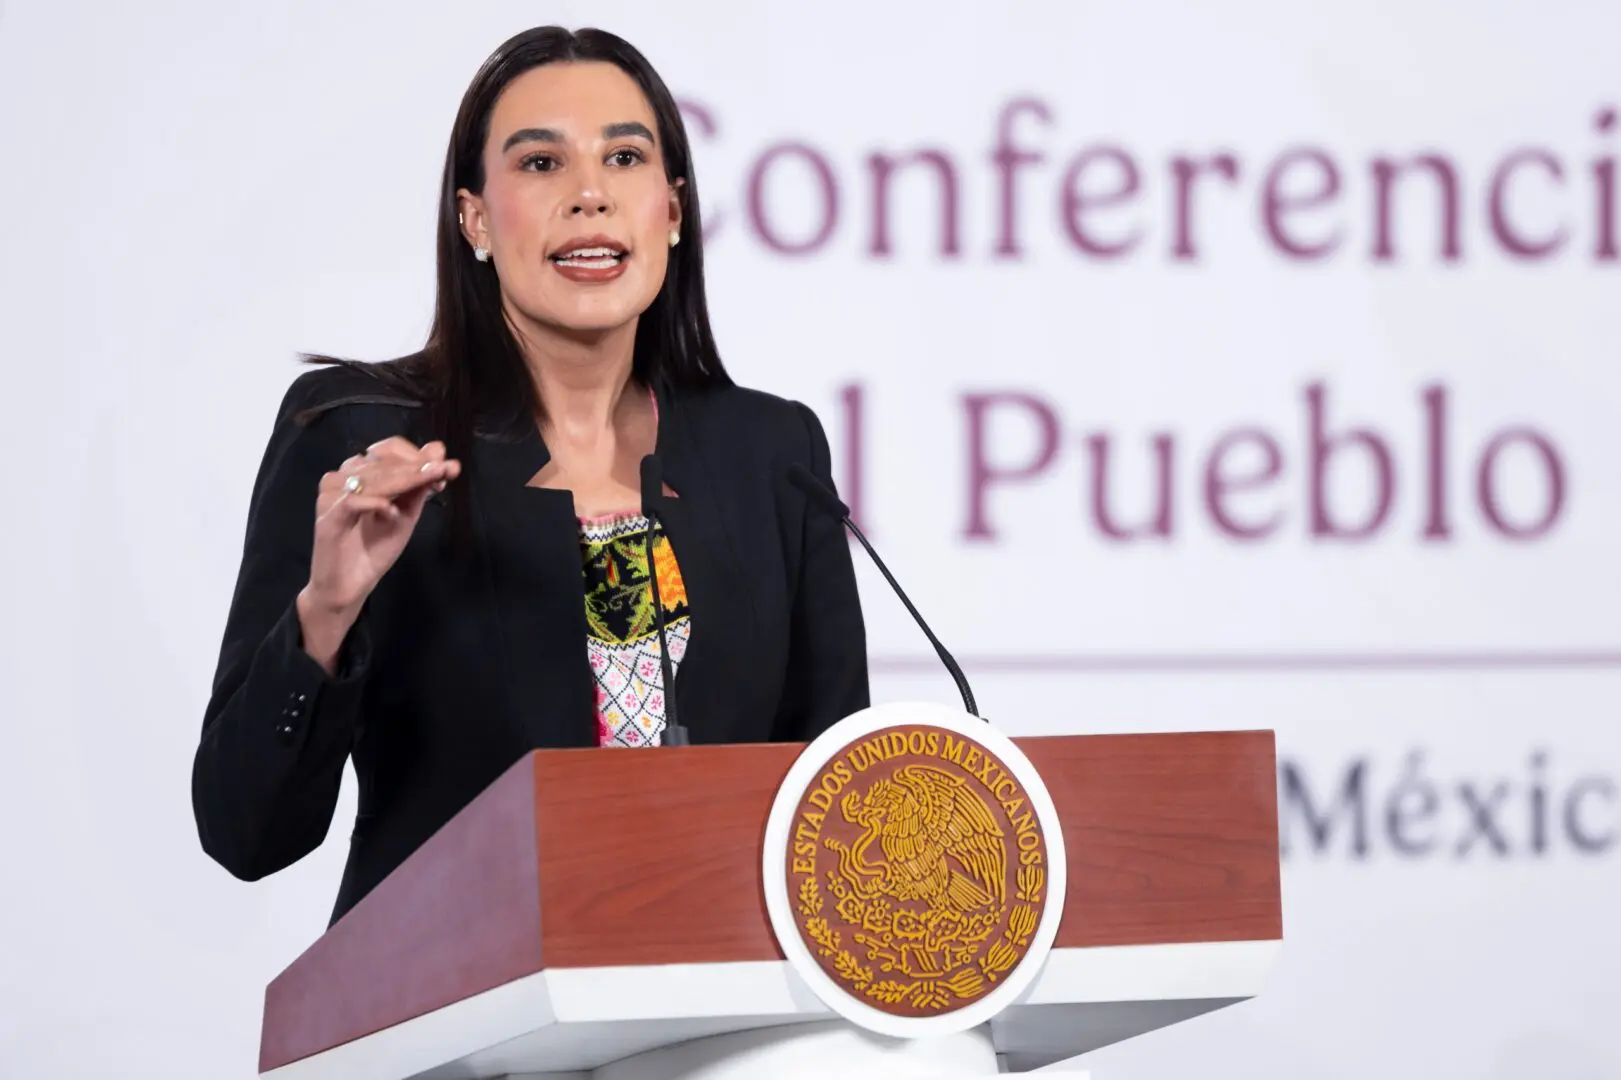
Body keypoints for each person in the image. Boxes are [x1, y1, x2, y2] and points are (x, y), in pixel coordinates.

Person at [190, 25, 870, 926]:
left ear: (671, 209)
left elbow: (834, 809)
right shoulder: (364, 436)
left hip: (715, 1025)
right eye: (541, 164)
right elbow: (247, 832)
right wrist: (325, 612)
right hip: (458, 1018)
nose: (589, 195)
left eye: (624, 158)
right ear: (474, 216)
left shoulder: (772, 453)